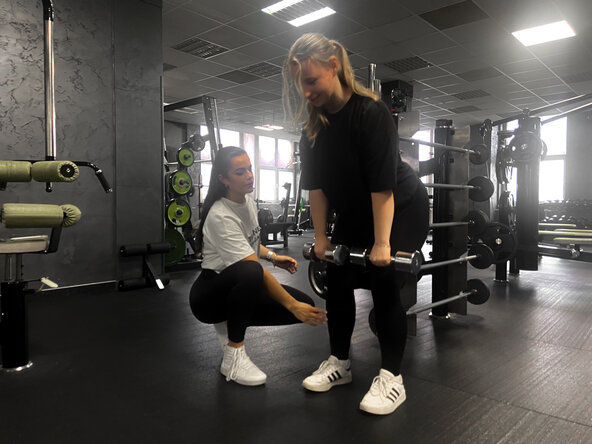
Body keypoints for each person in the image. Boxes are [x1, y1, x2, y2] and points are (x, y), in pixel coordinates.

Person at [282, 33, 429, 415]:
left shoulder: (370, 113)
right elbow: (316, 189)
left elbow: (383, 188)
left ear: (334, 67)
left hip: (401, 205)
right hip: (355, 209)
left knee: (384, 281)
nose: (306, 91)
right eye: (300, 84)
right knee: (337, 279)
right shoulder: (312, 128)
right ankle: (340, 363)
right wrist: (320, 239)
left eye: (311, 80)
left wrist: (382, 244)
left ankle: (392, 379)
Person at [189, 146, 327, 387]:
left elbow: (250, 243)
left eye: (250, 169)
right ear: (223, 179)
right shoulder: (221, 215)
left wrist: (273, 256)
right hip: (209, 296)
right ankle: (234, 355)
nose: (249, 176)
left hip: (238, 284)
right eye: (240, 172)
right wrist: (292, 305)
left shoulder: (248, 203)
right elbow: (252, 267)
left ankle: (232, 317)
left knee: (304, 303)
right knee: (259, 278)